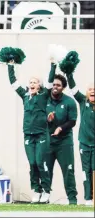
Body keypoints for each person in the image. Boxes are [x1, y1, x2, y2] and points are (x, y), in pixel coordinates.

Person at [7, 59, 56, 203]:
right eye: (31, 82)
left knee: (40, 161)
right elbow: (13, 83)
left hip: (41, 134)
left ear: (39, 85)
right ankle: (36, 190)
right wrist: (10, 66)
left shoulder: (43, 95)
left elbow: (50, 81)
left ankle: (46, 190)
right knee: (32, 162)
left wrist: (53, 65)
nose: (32, 84)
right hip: (28, 134)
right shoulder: (25, 96)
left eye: (35, 82)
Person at [46, 74, 78, 205]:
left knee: (68, 171)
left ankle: (72, 200)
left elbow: (72, 121)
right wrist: (47, 120)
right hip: (47, 142)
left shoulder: (69, 101)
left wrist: (60, 128)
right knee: (46, 172)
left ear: (63, 88)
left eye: (58, 85)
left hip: (64, 142)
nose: (55, 87)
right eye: (53, 85)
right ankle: (44, 198)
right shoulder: (45, 100)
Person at [66, 72, 94, 206]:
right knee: (86, 171)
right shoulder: (83, 101)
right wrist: (68, 73)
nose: (93, 91)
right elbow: (73, 89)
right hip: (84, 144)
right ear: (87, 93)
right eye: (90, 89)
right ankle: (88, 198)